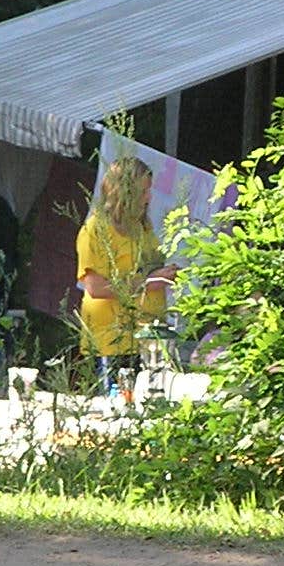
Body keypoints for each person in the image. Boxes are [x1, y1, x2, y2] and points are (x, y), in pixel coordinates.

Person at [75, 156, 175, 395]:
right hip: (112, 343)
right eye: (143, 192)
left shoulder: (143, 227)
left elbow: (148, 267)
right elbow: (95, 287)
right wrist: (149, 283)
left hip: (148, 340)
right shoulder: (95, 230)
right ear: (122, 192)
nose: (148, 198)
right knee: (118, 412)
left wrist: (166, 273)